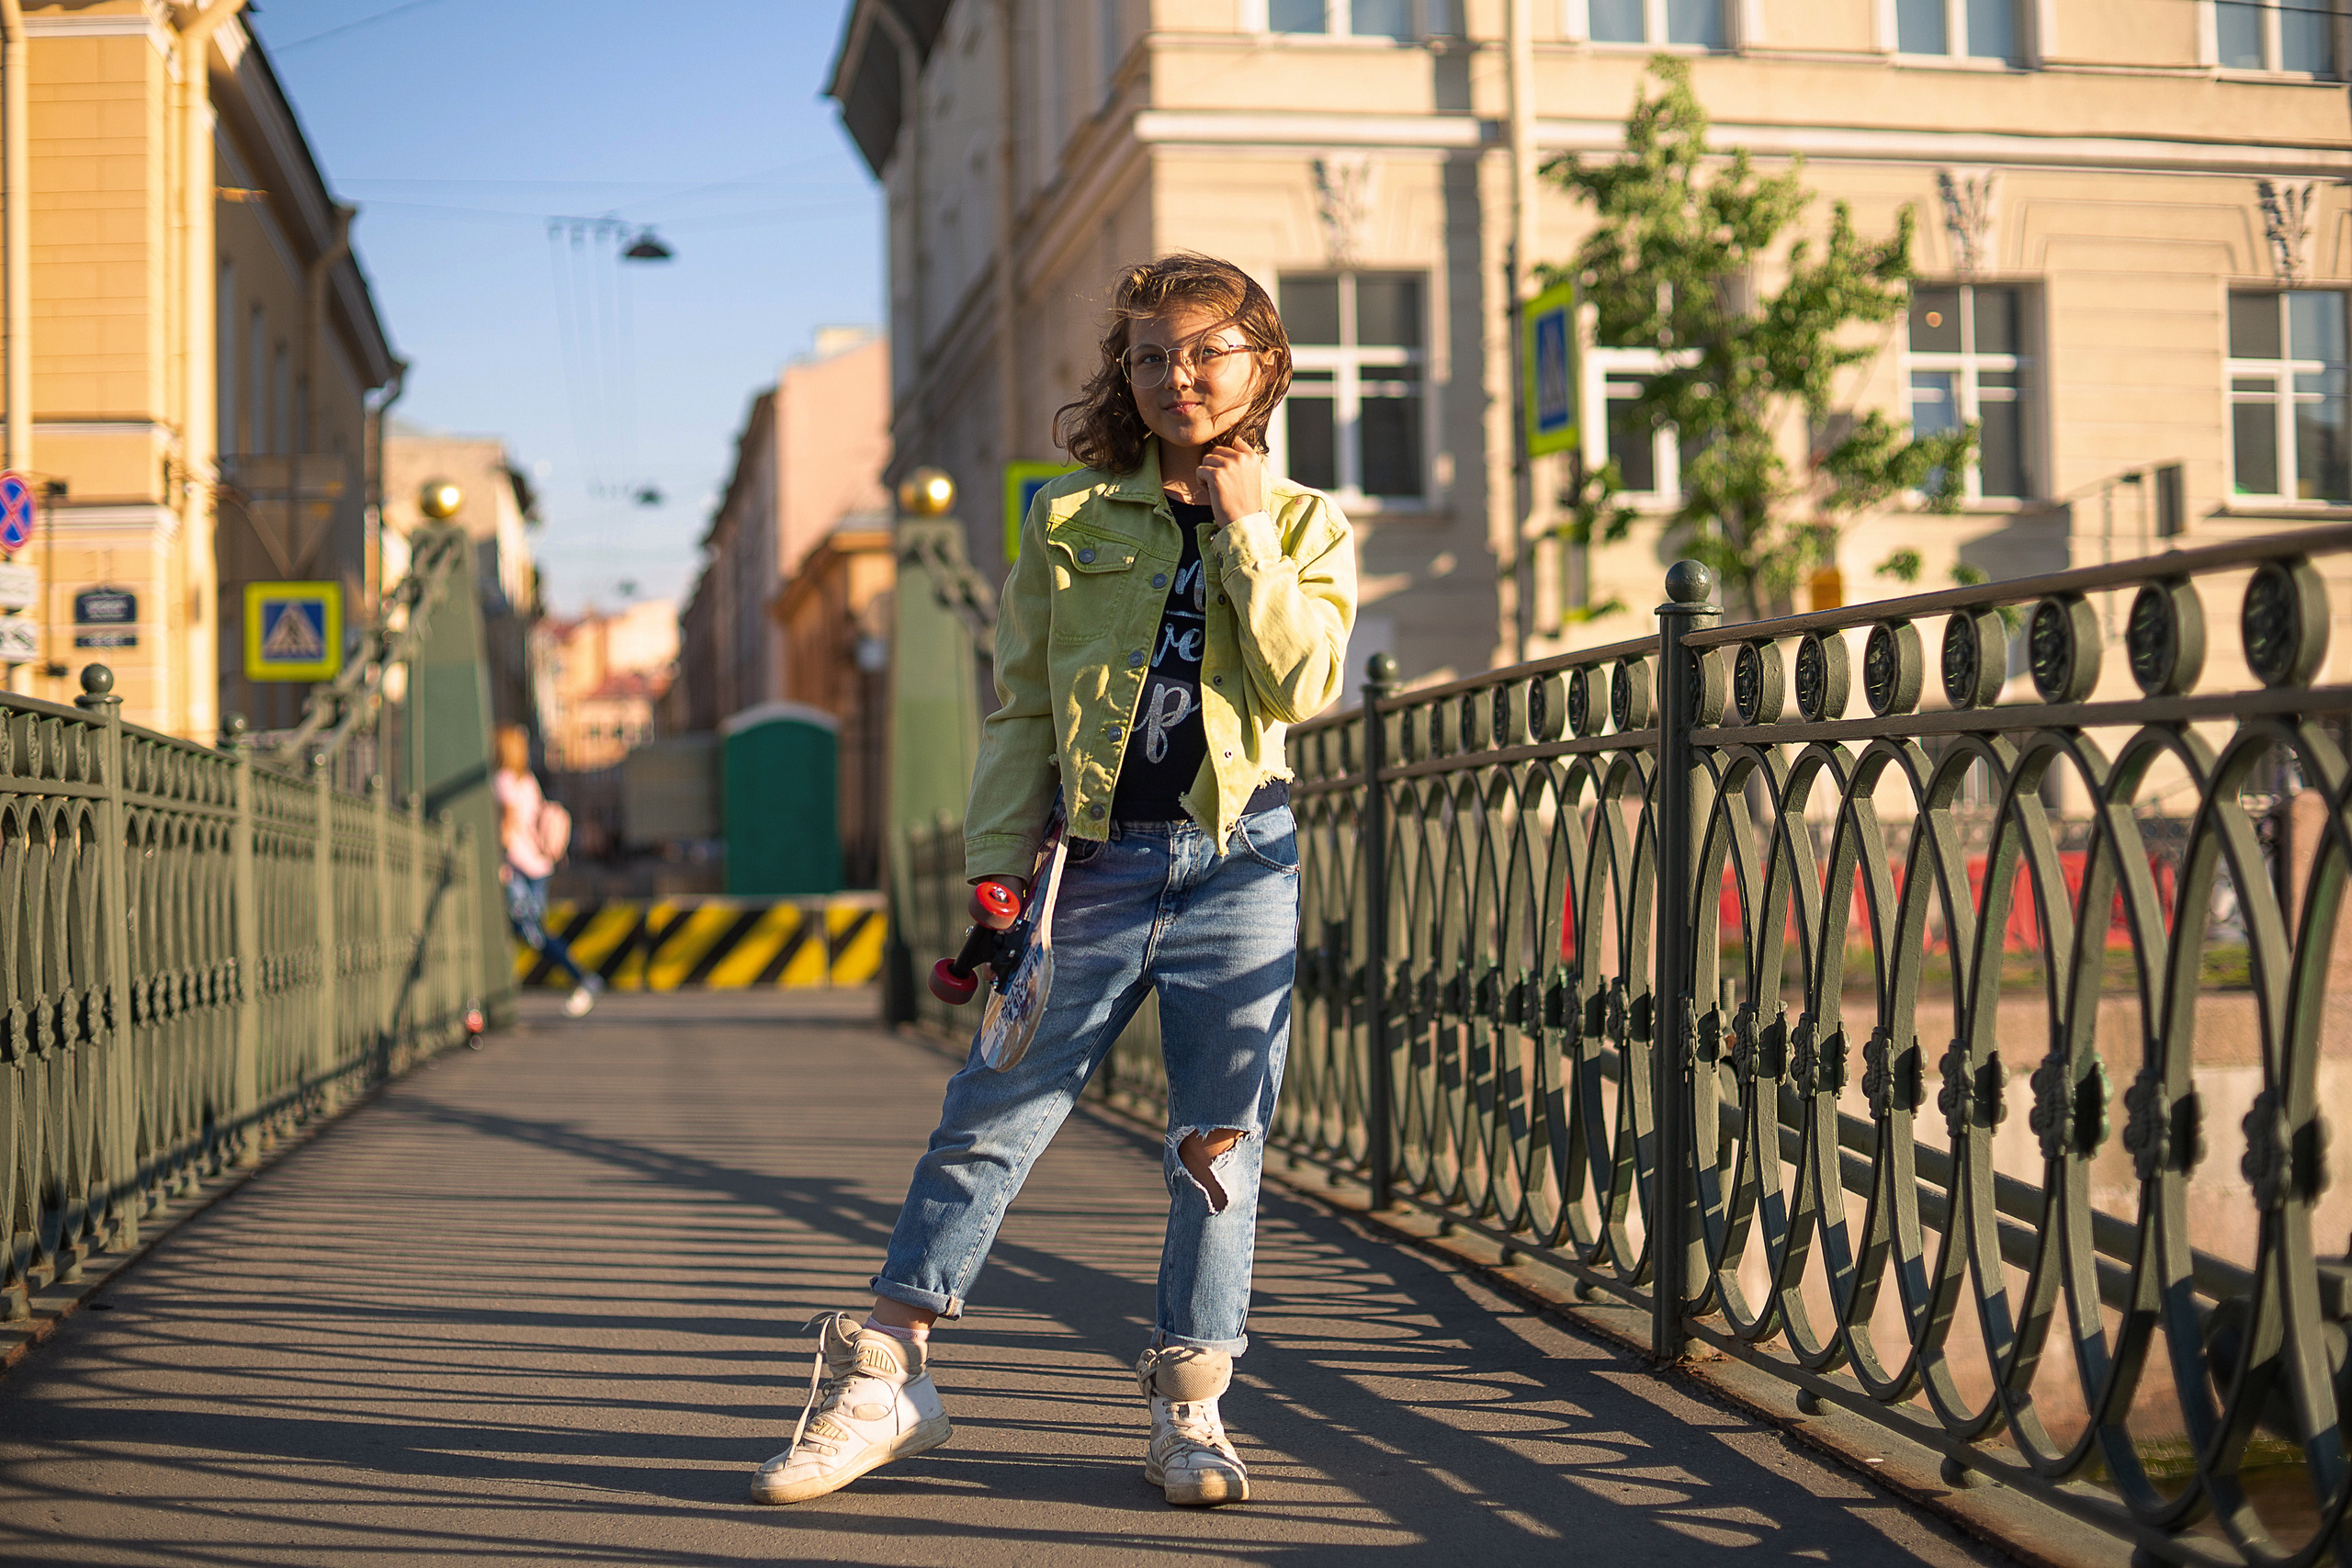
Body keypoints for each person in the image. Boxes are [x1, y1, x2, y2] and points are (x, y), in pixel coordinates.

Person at [752, 254, 1355, 1508]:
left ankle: (1193, 1412)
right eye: (1148, 355)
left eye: (1203, 351)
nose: (1175, 376)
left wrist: (1242, 528)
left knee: (1215, 1147)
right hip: (1097, 862)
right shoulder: (1070, 521)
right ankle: (890, 1375)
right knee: (991, 1110)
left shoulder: (1306, 524)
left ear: (1263, 363)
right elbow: (1024, 703)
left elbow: (1304, 684)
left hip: (1242, 863)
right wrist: (993, 863)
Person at [492, 723, 599, 1018]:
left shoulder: (502, 781)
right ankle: (576, 979)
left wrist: (499, 859)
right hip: (540, 865)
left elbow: (508, 825)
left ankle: (581, 977)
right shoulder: (527, 781)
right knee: (527, 928)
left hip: (516, 867)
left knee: (529, 931)